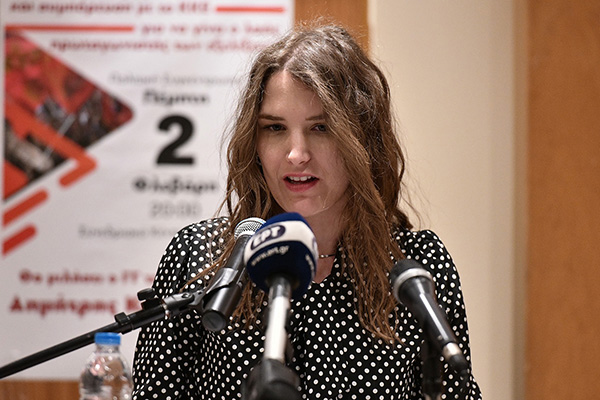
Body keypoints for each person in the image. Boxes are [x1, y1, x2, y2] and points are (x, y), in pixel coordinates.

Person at [132, 24, 482, 400]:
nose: (296, 154)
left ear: (363, 139)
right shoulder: (199, 255)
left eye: (321, 128)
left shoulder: (415, 269)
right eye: (275, 128)